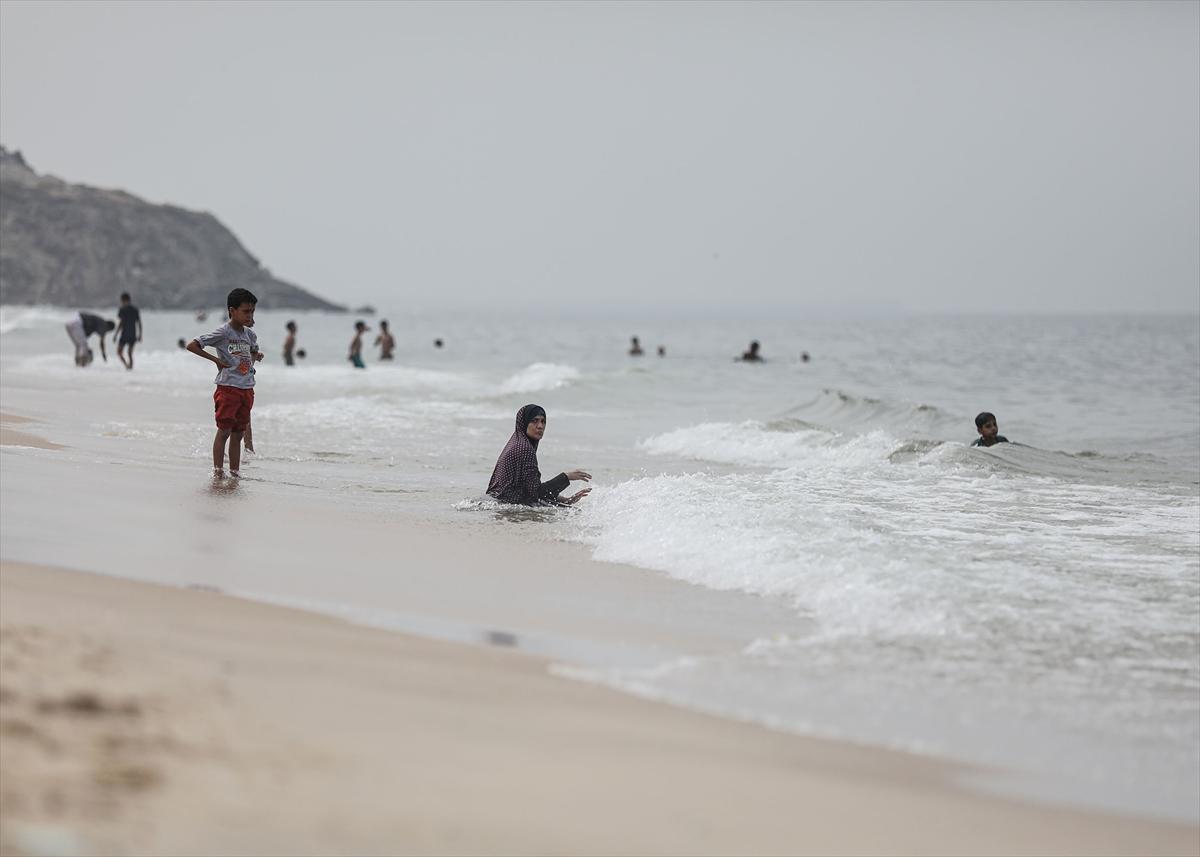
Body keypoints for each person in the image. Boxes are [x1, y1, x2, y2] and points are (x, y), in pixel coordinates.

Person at [186, 288, 263, 477]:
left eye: (252, 311)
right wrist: (216, 361)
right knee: (225, 431)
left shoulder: (250, 335)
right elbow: (192, 345)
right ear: (232, 310)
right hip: (228, 388)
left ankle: (235, 472)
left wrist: (256, 356)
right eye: (246, 311)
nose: (250, 315)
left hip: (247, 388)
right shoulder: (223, 332)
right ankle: (218, 471)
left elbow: (250, 354)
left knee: (238, 433)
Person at [487, 404, 592, 506]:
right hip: (505, 507)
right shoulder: (524, 448)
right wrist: (566, 477)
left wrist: (566, 500)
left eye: (543, 422)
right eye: (534, 421)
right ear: (524, 423)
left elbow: (530, 489)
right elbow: (536, 493)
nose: (540, 426)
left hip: (496, 502)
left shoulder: (516, 442)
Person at [113, 292, 142, 370]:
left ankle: (130, 367)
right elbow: (121, 323)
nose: (122, 302)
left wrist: (140, 335)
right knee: (121, 352)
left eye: (122, 301)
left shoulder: (131, 310)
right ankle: (127, 366)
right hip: (126, 334)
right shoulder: (124, 309)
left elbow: (138, 323)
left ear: (125, 300)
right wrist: (116, 334)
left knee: (129, 353)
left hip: (130, 335)